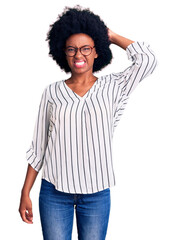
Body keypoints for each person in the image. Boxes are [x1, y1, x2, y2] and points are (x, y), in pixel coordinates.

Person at [18, 5, 157, 240]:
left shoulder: (114, 87)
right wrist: (25, 192)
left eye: (86, 49)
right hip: (54, 193)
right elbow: (39, 147)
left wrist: (110, 35)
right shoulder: (52, 93)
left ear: (97, 52)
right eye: (72, 49)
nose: (78, 55)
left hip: (96, 194)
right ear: (63, 52)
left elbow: (147, 60)